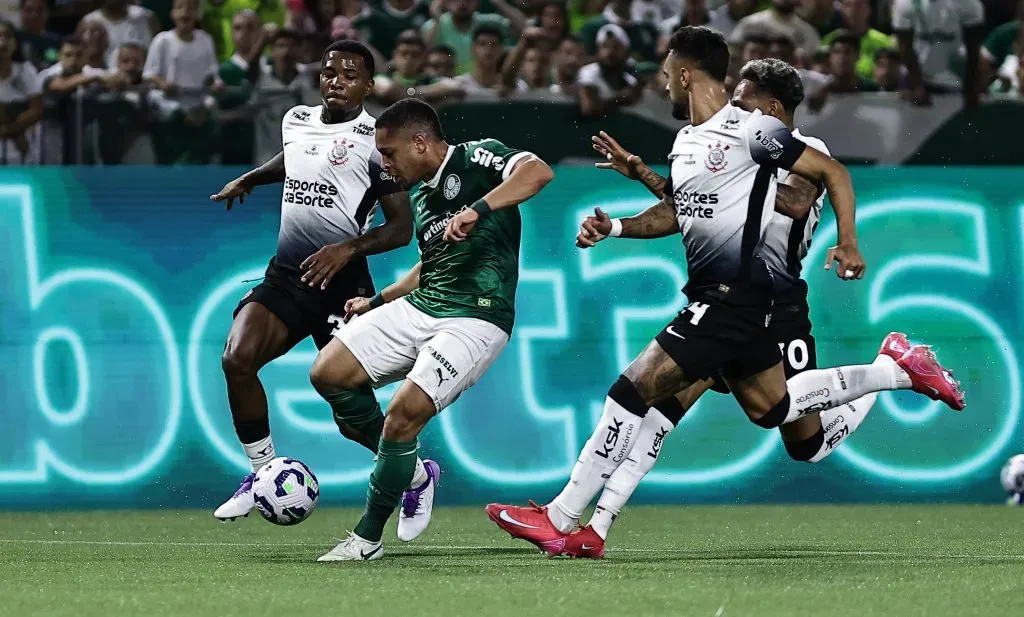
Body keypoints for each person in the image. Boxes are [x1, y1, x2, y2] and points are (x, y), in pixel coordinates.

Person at [486, 26, 965, 558]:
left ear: (771, 107)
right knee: (742, 408)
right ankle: (595, 527)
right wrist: (633, 198)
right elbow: (696, 206)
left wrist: (846, 240)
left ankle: (561, 517)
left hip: (769, 298)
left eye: (747, 98)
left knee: (765, 429)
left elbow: (794, 199)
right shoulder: (694, 138)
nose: (737, 104)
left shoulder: (769, 139)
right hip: (733, 296)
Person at [310, 97, 553, 561]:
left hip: (478, 317)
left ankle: (366, 539)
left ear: (421, 142)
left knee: (403, 415)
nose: (384, 164)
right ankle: (415, 474)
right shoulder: (421, 194)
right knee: (328, 372)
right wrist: (377, 300)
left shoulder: (478, 156)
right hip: (425, 305)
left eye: (390, 153)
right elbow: (430, 263)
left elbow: (538, 173)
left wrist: (478, 208)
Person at [206, 40, 414, 527]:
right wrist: (252, 179)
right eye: (327, 72)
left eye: (348, 74)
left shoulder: (376, 140)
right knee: (237, 360)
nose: (335, 80)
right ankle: (261, 474)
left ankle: (415, 475)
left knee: (350, 418)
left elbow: (400, 229)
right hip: (288, 275)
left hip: (342, 284)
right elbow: (296, 159)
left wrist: (347, 247)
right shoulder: (296, 118)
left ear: (368, 84)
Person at [891, 0, 985, 107]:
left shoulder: (968, 3)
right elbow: (905, 48)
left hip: (953, 80)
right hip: (913, 78)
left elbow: (973, 49)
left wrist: (971, 84)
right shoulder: (905, 3)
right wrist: (918, 86)